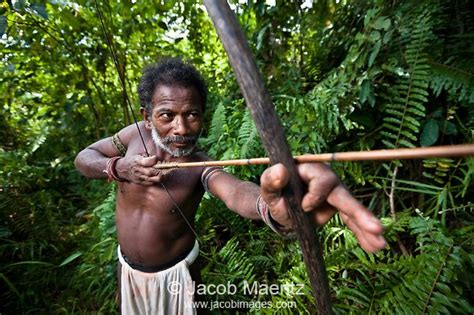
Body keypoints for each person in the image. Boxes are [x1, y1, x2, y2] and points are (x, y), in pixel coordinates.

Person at [74, 57, 386, 314]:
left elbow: (235, 192)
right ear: (147, 116)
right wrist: (116, 167)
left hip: (177, 275)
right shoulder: (131, 137)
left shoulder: (200, 165)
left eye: (191, 115)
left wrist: (273, 206)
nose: (180, 128)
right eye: (166, 115)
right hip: (127, 269)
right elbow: (84, 158)